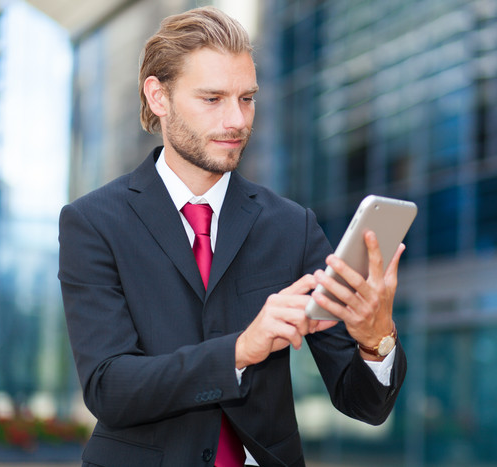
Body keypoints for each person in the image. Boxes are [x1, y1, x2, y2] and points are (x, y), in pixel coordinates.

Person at [58, 6, 407, 467]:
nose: (237, 121)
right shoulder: (94, 221)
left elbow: (363, 405)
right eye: (213, 99)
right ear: (158, 97)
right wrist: (240, 350)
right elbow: (108, 386)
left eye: (247, 98)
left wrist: (375, 338)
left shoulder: (291, 225)